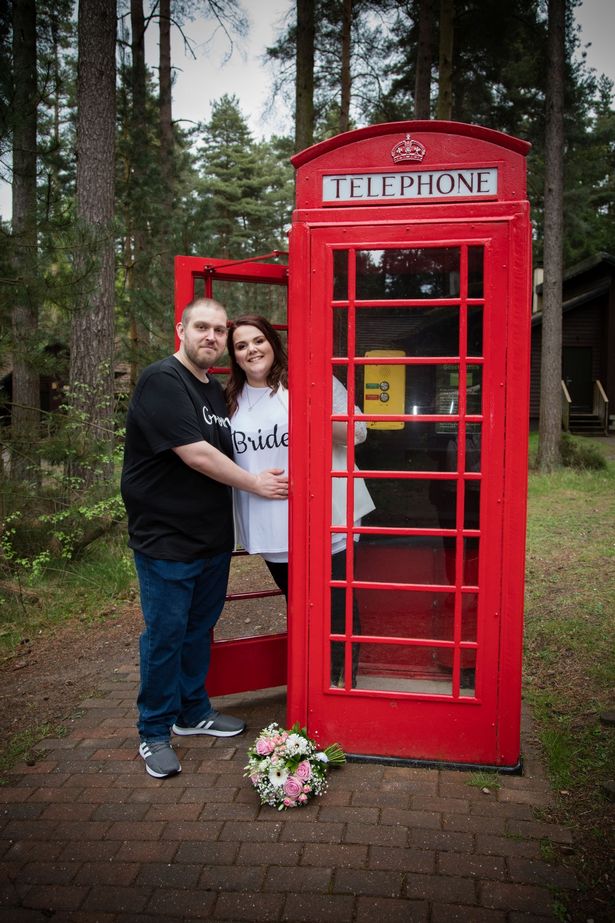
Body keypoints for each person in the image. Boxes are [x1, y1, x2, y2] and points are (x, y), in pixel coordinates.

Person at [121, 298, 288, 779]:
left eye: (219, 331)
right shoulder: (162, 381)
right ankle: (153, 732)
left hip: (211, 539)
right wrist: (256, 485)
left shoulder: (215, 393)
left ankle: (192, 712)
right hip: (166, 539)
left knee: (198, 631)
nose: (211, 337)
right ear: (182, 329)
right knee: (165, 635)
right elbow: (196, 455)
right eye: (202, 327)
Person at [225, 314, 374, 686]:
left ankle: (343, 686)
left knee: (337, 607)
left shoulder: (311, 380)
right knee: (301, 608)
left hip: (328, 515)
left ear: (273, 343)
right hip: (271, 526)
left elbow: (358, 432)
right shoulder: (228, 399)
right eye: (241, 346)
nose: (252, 350)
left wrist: (313, 409)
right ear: (234, 356)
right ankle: (315, 685)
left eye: (258, 340)